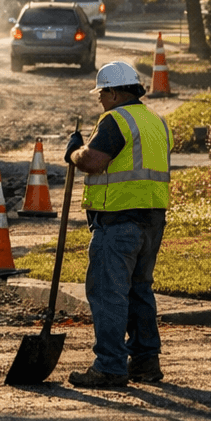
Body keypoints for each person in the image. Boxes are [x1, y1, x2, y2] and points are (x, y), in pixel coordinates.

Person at [63, 59, 172, 389]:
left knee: (108, 294)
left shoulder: (116, 120)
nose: (99, 100)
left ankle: (110, 366)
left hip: (119, 222)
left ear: (112, 93)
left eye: (101, 93)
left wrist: (74, 152)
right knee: (139, 291)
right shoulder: (156, 121)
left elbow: (95, 161)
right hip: (152, 219)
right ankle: (145, 362)